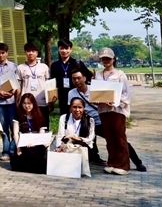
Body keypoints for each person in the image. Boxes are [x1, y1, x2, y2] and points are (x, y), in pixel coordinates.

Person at [68, 67, 146, 171]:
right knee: (87, 139)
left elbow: (110, 99)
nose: (76, 81)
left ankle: (137, 162)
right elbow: (71, 110)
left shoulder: (94, 89)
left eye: (78, 78)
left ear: (84, 78)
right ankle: (94, 158)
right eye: (74, 79)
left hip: (101, 121)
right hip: (86, 123)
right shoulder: (71, 93)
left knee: (119, 141)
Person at [94, 47, 132, 175]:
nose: (106, 60)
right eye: (103, 58)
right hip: (103, 110)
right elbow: (95, 92)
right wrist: (97, 100)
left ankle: (124, 165)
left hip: (117, 110)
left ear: (113, 59)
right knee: (109, 138)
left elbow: (126, 93)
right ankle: (112, 162)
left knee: (119, 137)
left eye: (108, 58)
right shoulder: (98, 74)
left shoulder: (120, 75)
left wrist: (116, 101)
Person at [0, 42, 18, 162]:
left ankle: (13, 149)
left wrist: (12, 92)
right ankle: (5, 151)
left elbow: (17, 82)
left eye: (3, 53)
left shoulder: (13, 66)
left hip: (11, 101)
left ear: (7, 53)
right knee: (3, 127)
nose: (1, 55)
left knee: (13, 126)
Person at [50, 39, 93, 117]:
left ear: (70, 50)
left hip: (77, 94)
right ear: (58, 49)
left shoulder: (77, 63)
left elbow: (88, 77)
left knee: (79, 116)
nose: (64, 51)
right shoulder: (54, 65)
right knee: (65, 117)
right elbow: (53, 82)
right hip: (62, 96)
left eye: (66, 48)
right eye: (62, 48)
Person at [54, 97, 95, 177]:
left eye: (80, 107)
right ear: (70, 108)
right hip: (67, 146)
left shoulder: (90, 120)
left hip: (83, 146)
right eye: (74, 107)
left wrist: (74, 138)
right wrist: (59, 146)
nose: (77, 110)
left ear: (83, 108)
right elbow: (60, 136)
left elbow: (90, 138)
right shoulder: (64, 118)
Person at [16, 42, 53, 126]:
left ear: (37, 52)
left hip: (42, 102)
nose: (31, 53)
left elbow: (49, 85)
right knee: (28, 128)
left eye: (33, 51)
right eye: (28, 51)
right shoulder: (20, 68)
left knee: (44, 127)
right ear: (25, 52)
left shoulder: (44, 67)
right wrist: (17, 101)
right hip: (26, 104)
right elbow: (19, 86)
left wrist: (50, 101)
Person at [10, 93, 48, 174]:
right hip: (22, 144)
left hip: (36, 144)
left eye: (29, 103)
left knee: (37, 160)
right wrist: (18, 147)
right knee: (16, 163)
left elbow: (42, 132)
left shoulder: (40, 115)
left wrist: (35, 142)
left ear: (33, 104)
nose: (27, 106)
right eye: (24, 103)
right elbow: (15, 133)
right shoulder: (18, 115)